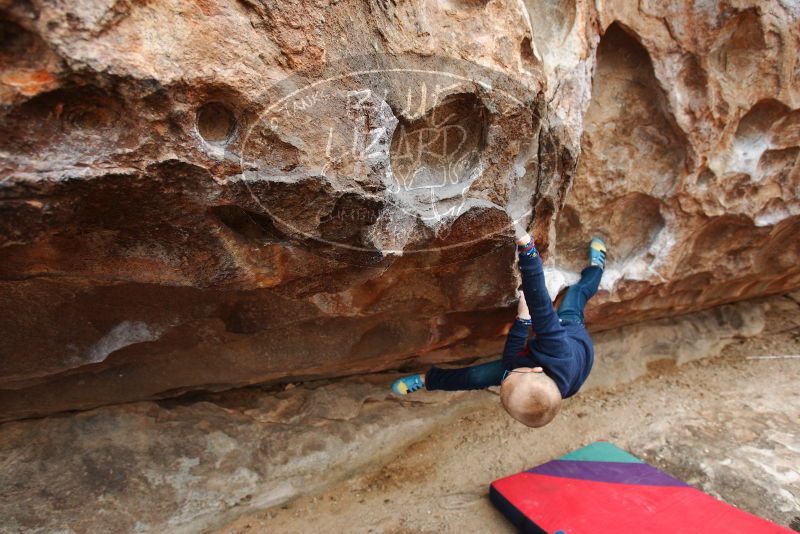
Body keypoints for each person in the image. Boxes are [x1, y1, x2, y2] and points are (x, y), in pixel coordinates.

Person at [391, 232, 607, 428]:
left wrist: (522, 322)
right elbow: (540, 306)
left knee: (477, 377)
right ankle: (597, 269)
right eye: (511, 375)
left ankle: (428, 380)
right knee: (576, 294)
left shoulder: (527, 379)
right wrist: (528, 252)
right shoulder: (558, 349)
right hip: (573, 334)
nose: (508, 372)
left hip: (557, 378)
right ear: (534, 370)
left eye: (505, 381)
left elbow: (511, 360)